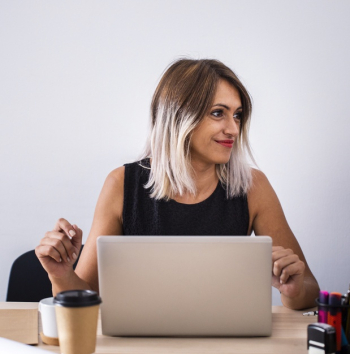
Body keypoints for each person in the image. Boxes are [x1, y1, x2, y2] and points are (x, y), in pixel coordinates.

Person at [35, 58, 319, 310]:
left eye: (237, 114)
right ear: (179, 116)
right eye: (218, 113)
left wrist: (292, 289)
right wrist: (61, 275)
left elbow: (308, 289)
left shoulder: (253, 186)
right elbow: (85, 296)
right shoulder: (121, 184)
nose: (233, 128)